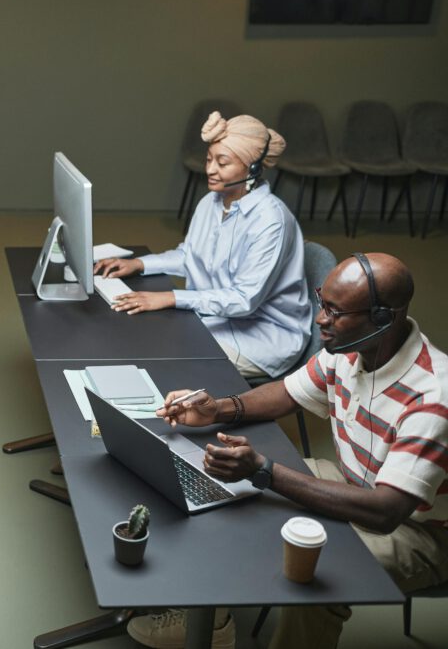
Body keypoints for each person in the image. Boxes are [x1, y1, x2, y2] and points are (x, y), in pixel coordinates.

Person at [128, 253, 448, 649]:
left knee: (310, 571)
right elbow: (284, 394)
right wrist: (217, 408)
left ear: (383, 319)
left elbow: (385, 512)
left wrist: (264, 470)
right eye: (321, 303)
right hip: (353, 485)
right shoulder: (351, 350)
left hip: (417, 532)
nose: (320, 321)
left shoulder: (432, 397)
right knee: (230, 489)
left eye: (334, 312)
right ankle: (213, 622)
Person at [95, 111, 311, 378]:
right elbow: (190, 256)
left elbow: (244, 300)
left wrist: (170, 298)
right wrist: (139, 264)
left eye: (222, 163)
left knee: (163, 355)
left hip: (263, 337)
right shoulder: (212, 201)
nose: (210, 170)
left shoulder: (272, 220)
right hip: (218, 318)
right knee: (144, 332)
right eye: (209, 159)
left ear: (252, 167)